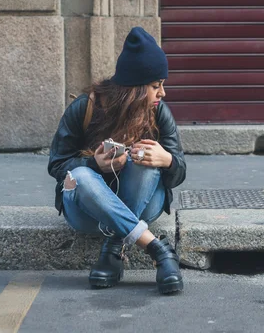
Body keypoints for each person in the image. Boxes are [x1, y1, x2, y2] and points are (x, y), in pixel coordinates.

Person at [47, 27, 186, 295]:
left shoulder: (158, 112)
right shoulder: (84, 108)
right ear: (134, 89)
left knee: (146, 164)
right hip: (87, 211)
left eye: (163, 85)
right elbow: (57, 165)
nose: (162, 93)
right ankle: (157, 248)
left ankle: (112, 249)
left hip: (143, 204)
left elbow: (179, 171)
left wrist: (168, 161)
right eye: (155, 86)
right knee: (83, 176)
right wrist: (92, 165)